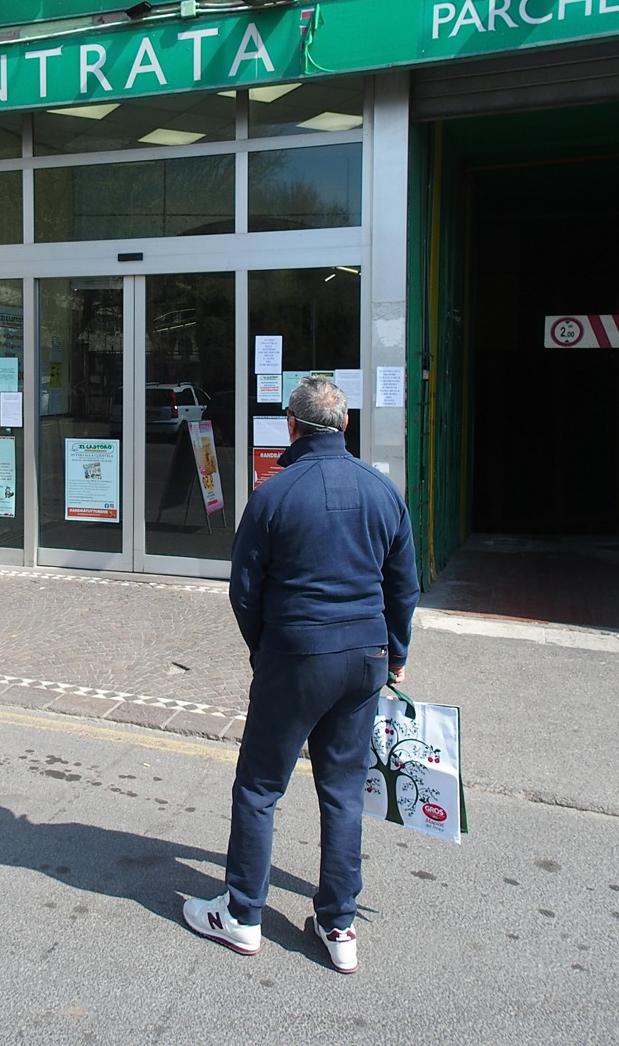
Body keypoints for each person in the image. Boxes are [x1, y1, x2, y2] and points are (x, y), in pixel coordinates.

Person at [182, 375, 420, 973]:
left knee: (260, 787)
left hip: (296, 656)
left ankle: (242, 915)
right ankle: (339, 925)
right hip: (364, 658)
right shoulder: (383, 491)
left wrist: (266, 650)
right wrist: (395, 652)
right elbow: (404, 586)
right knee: (343, 791)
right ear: (346, 425)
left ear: (292, 426)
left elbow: (244, 590)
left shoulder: (273, 494)